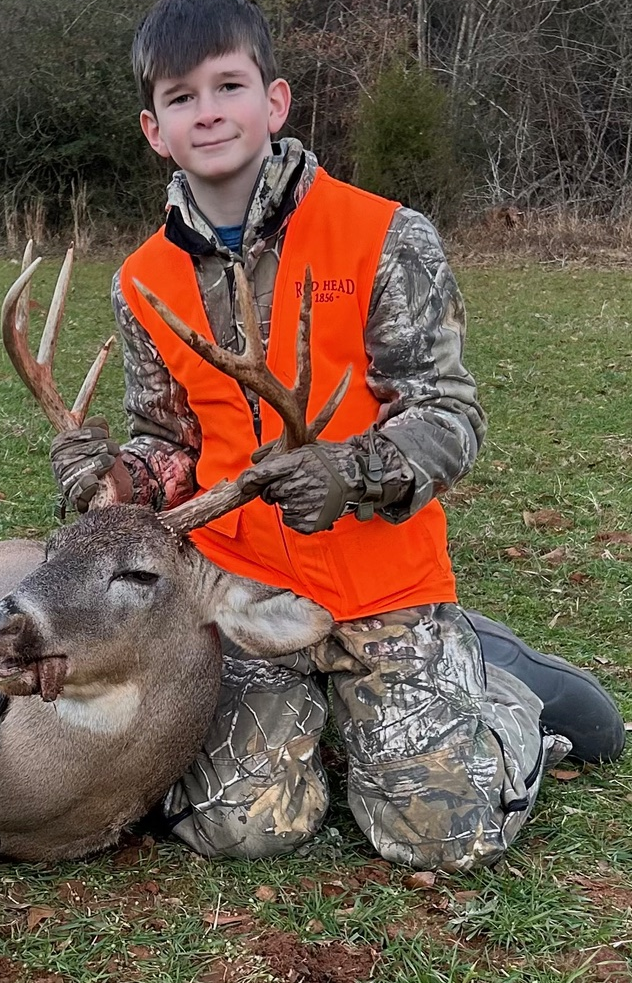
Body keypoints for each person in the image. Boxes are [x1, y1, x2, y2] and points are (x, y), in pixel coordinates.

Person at [50, 0, 625, 871]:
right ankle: (333, 718)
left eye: (229, 86)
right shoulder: (144, 282)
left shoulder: (384, 237)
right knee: (241, 827)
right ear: (153, 128)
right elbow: (166, 439)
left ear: (274, 102)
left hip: (382, 582)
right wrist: (118, 479)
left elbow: (449, 414)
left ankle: (498, 691)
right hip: (241, 597)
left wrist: (354, 470)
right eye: (181, 97)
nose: (207, 110)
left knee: (439, 833)